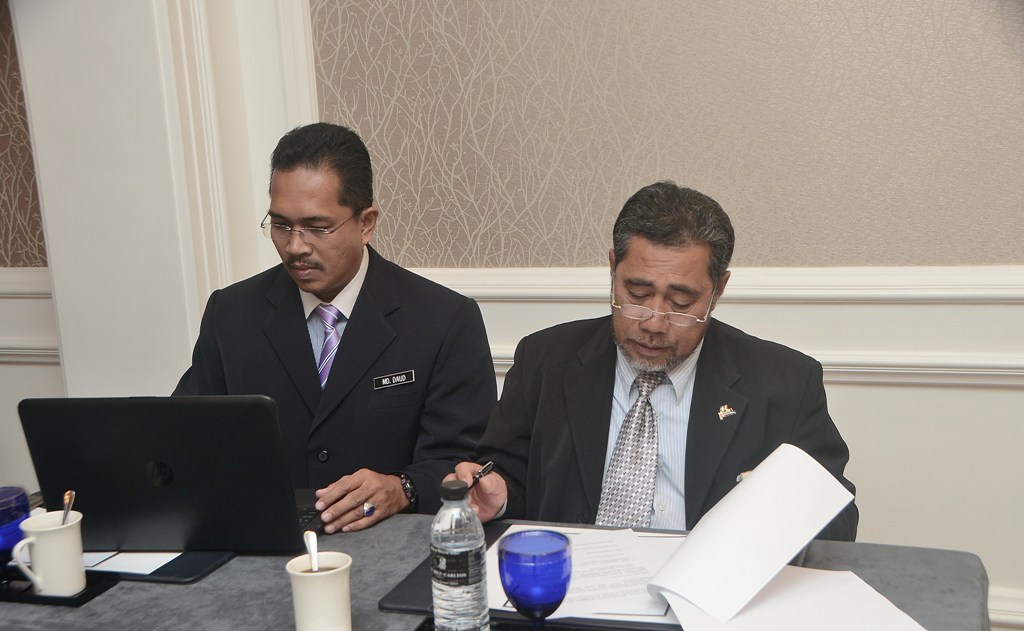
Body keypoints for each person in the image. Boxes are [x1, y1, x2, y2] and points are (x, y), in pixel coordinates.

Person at [453, 181, 857, 541]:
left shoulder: (785, 382)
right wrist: (499, 497)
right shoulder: (545, 360)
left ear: (718, 290)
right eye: (637, 294)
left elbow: (836, 520)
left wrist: (769, 517)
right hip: (568, 585)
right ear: (613, 268)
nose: (654, 322)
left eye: (681, 302)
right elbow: (507, 475)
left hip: (708, 591)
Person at [175, 123, 496, 532]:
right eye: (281, 225)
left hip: (393, 546)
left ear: (366, 223)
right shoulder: (231, 314)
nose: (296, 246)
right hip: (264, 544)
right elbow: (188, 439)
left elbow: (464, 461)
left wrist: (403, 488)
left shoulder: (444, 319)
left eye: (317, 227)